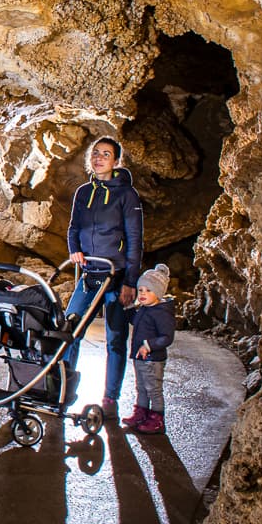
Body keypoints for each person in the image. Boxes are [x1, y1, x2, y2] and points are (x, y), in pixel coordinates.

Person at [64, 135, 143, 422]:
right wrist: (75, 251)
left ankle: (110, 398)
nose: (99, 158)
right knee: (69, 331)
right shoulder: (84, 192)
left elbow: (135, 240)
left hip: (116, 276)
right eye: (95, 153)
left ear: (117, 161)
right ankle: (63, 388)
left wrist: (130, 281)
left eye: (106, 154)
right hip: (89, 275)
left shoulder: (127, 196)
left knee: (115, 339)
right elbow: (73, 228)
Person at [123, 264, 175, 433]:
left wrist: (149, 346)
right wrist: (129, 308)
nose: (143, 294)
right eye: (141, 290)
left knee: (154, 389)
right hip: (140, 357)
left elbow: (167, 337)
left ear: (158, 293)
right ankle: (141, 413)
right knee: (141, 387)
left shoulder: (161, 313)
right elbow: (136, 322)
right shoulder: (145, 309)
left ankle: (157, 419)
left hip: (152, 359)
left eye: (148, 290)